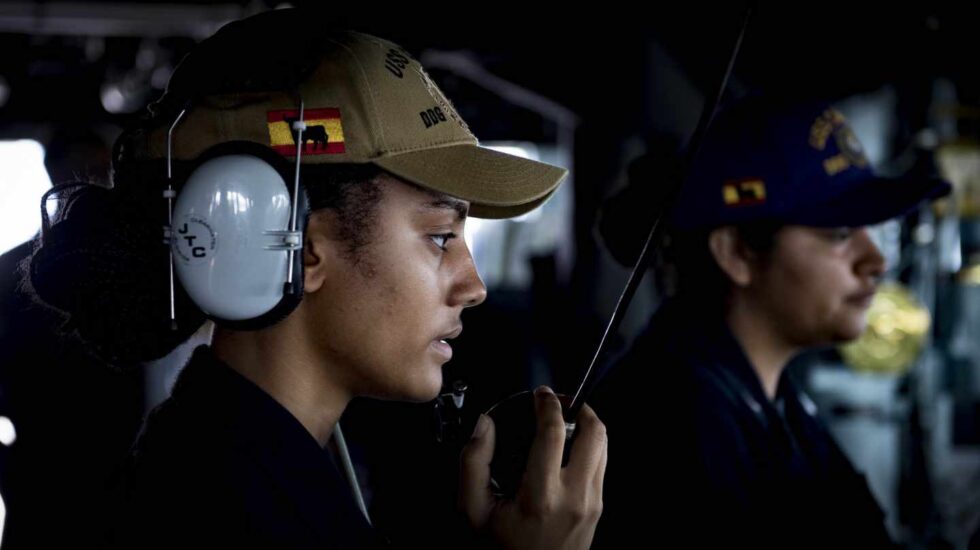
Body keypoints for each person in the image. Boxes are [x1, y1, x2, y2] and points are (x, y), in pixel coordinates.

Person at [22, 8, 606, 549]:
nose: (473, 285)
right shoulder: (220, 513)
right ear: (292, 243)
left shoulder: (270, 460)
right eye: (439, 236)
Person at [591, 96, 949, 548]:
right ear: (738, 253)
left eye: (868, 231)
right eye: (839, 234)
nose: (874, 261)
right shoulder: (670, 431)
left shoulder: (771, 399)